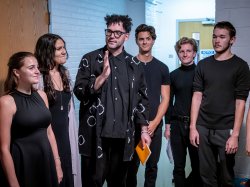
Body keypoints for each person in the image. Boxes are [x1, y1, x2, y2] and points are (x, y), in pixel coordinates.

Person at [73, 14, 151, 187]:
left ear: (126, 36)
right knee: (92, 182)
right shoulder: (90, 59)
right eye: (109, 31)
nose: (112, 35)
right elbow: (78, 91)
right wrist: (100, 79)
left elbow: (142, 100)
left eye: (117, 32)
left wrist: (144, 130)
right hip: (95, 136)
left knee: (119, 183)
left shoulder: (135, 65)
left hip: (123, 138)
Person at [189, 21, 250, 187]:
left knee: (226, 176)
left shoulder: (241, 66)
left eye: (222, 37)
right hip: (203, 126)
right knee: (206, 176)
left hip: (226, 129)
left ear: (232, 40)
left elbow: (240, 103)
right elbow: (196, 97)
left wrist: (235, 135)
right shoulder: (203, 64)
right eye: (215, 36)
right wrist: (193, 127)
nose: (217, 40)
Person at [0, 52, 63, 187]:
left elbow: (49, 132)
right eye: (31, 68)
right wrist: (13, 183)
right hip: (23, 164)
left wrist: (57, 163)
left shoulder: (42, 95)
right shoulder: (6, 102)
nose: (37, 71)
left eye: (37, 67)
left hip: (46, 161)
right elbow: (3, 149)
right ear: (16, 72)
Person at [126, 24, 170, 187]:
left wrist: (156, 122)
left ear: (153, 40)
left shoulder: (162, 68)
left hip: (154, 125)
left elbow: (165, 98)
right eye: (141, 39)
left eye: (148, 39)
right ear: (136, 41)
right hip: (133, 125)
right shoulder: (129, 65)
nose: (144, 42)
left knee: (151, 166)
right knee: (132, 166)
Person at [35, 33, 81, 187]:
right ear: (47, 52)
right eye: (59, 48)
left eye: (64, 47)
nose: (64, 51)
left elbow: (69, 111)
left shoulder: (65, 73)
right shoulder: (39, 79)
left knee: (68, 177)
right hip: (47, 139)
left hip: (65, 138)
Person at [164, 37, 202, 187]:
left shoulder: (201, 73)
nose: (185, 54)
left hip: (196, 126)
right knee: (178, 167)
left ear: (194, 54)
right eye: (181, 51)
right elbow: (168, 103)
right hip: (177, 125)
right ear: (178, 53)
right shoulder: (173, 75)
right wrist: (167, 126)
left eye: (188, 51)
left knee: (198, 167)